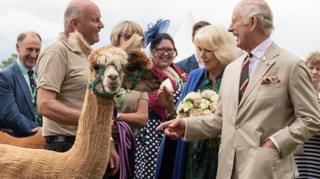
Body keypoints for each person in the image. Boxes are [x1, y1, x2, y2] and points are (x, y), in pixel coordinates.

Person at [156, 0, 320, 179]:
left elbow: (310, 119)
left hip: (268, 171)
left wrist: (275, 144)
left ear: (253, 22)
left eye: (234, 22)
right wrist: (186, 126)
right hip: (227, 171)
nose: (230, 29)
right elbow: (221, 119)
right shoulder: (232, 69)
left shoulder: (291, 65)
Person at [36, 0, 119, 176]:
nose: (101, 25)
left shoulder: (89, 55)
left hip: (90, 146)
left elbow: (92, 104)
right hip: (64, 147)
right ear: (75, 24)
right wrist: (94, 122)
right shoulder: (57, 51)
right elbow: (45, 104)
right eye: (96, 20)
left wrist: (107, 141)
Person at [156, 25, 240, 179]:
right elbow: (181, 116)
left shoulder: (234, 76)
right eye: (199, 49)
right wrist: (174, 122)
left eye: (208, 50)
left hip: (220, 155)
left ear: (222, 50)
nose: (202, 55)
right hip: (192, 152)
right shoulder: (195, 76)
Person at [134, 19, 188, 179]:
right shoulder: (148, 72)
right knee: (154, 172)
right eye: (161, 50)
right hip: (156, 132)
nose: (166, 53)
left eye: (170, 50)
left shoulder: (178, 70)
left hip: (177, 128)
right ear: (152, 51)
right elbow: (156, 102)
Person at [107, 20, 149, 179]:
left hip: (128, 145)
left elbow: (142, 118)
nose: (135, 42)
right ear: (117, 39)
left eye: (139, 39)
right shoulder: (105, 68)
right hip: (102, 144)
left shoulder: (142, 76)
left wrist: (117, 118)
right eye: (129, 37)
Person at [0, 31, 42, 137]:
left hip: (43, 142)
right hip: (18, 143)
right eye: (29, 49)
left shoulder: (42, 74)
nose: (34, 55)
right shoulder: (5, 77)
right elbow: (10, 115)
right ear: (17, 48)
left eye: (37, 50)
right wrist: (39, 131)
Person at [295, 51, 320, 178]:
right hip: (297, 156)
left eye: (319, 68)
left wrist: (307, 124)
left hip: (316, 157)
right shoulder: (296, 97)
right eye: (311, 67)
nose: (314, 72)